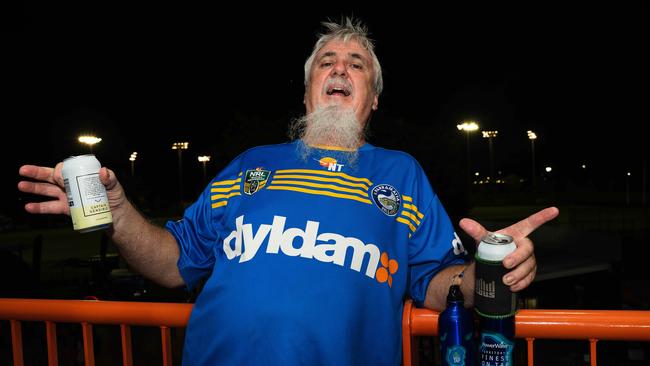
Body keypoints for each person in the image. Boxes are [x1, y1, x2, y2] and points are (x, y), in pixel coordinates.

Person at [18, 17, 559, 366]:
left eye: (357, 65)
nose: (340, 68)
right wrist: (116, 214)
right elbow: (173, 261)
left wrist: (493, 267)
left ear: (372, 101)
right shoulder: (250, 166)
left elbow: (438, 284)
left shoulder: (401, 174)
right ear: (307, 94)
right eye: (327, 62)